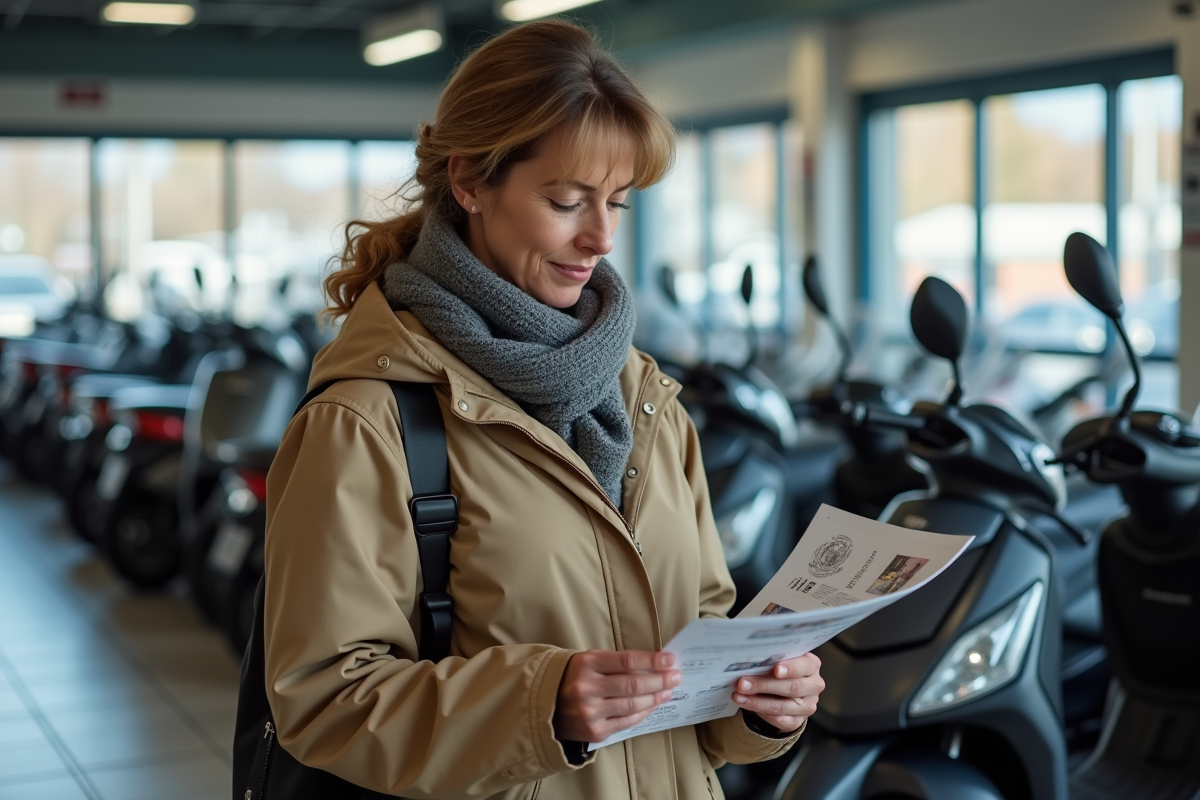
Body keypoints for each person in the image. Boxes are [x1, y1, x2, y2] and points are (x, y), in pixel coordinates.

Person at [263, 18, 823, 799]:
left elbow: (698, 637)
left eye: (617, 204)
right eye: (567, 201)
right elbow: (324, 698)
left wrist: (760, 706)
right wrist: (540, 706)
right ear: (469, 181)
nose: (600, 237)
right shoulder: (366, 422)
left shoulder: (647, 399)